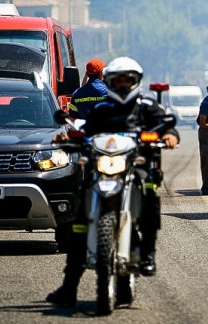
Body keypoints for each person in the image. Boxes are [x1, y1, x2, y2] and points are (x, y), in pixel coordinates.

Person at [46, 56, 180, 308]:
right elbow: (83, 129)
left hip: (136, 165)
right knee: (79, 224)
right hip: (104, 166)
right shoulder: (101, 109)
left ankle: (148, 254)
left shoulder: (147, 106)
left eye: (126, 80)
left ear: (135, 82)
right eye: (116, 81)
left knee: (150, 192)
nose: (121, 85)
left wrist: (170, 135)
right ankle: (69, 287)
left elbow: (166, 125)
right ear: (108, 82)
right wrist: (68, 136)